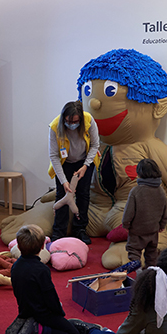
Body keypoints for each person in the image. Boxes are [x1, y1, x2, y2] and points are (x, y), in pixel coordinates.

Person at [6, 224, 80, 334]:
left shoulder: (15, 266)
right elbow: (50, 295)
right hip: (42, 313)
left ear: (18, 246)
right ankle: (38, 330)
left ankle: (27, 321)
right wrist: (59, 312)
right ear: (42, 247)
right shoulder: (42, 270)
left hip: (25, 309)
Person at [48, 100, 100, 244]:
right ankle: (59, 232)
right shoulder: (54, 126)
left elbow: (95, 145)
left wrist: (85, 166)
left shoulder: (89, 120)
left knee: (83, 194)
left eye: (76, 121)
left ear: (81, 120)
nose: (72, 125)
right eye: (68, 121)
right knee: (62, 195)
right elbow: (53, 156)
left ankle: (80, 230)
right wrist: (64, 181)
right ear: (63, 118)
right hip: (64, 163)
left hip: (84, 161)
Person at [122, 158, 167, 268]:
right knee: (152, 254)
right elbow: (165, 210)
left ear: (140, 173)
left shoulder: (136, 191)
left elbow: (129, 211)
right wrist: (162, 224)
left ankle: (137, 271)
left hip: (137, 230)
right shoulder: (161, 191)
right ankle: (151, 273)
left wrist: (126, 224)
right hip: (153, 230)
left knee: (134, 251)